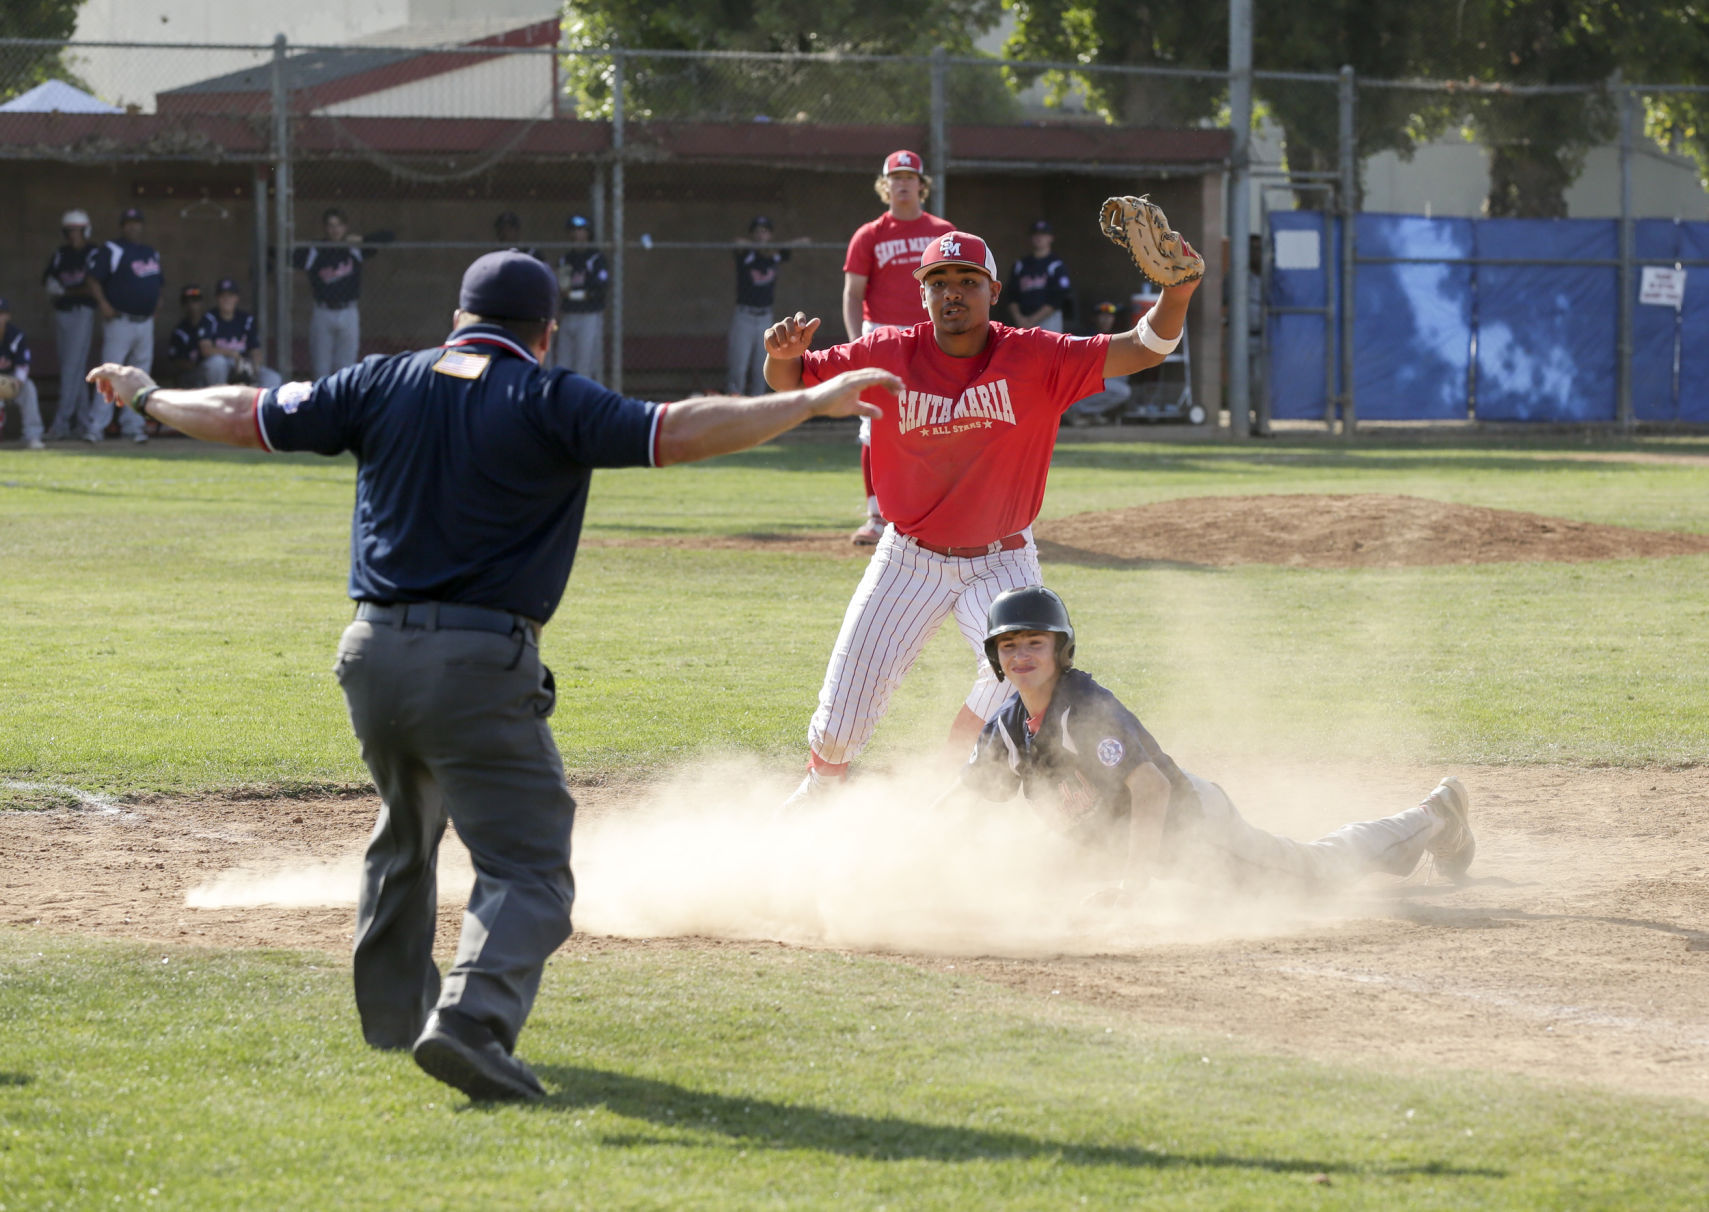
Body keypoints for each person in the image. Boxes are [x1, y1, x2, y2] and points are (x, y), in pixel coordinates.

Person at [85, 250, 897, 1103]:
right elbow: (680, 427)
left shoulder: (380, 380)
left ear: (457, 321)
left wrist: (146, 394)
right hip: (476, 660)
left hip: (370, 654)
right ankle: (471, 1023)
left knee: (406, 833)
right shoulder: (548, 395)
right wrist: (805, 401)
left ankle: (395, 1021)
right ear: (546, 333)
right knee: (532, 867)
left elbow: (241, 411)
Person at [765, 221, 1202, 801]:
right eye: (938, 281)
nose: (952, 292)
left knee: (1028, 673)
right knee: (844, 709)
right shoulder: (886, 353)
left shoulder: (1035, 355)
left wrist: (1178, 293)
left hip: (1003, 561)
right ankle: (819, 792)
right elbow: (790, 380)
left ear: (994, 291)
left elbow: (1145, 348)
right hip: (908, 558)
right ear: (923, 293)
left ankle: (959, 784)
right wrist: (782, 356)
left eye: (967, 281)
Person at [952, 586, 1476, 900]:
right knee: (1032, 878)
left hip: (1193, 827)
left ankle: (1435, 815)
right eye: (1009, 645)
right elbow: (963, 799)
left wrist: (1134, 886)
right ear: (996, 657)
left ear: (1060, 650)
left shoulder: (1083, 707)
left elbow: (1152, 789)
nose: (1021, 655)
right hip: (1129, 842)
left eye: (1035, 643)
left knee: (1312, 876)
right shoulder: (1009, 727)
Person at [841, 150, 956, 545]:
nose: (903, 183)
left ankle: (936, 515)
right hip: (882, 335)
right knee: (874, 423)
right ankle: (876, 517)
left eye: (910, 177)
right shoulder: (870, 234)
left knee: (942, 422)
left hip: (932, 335)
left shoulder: (942, 231)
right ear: (885, 185)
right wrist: (857, 344)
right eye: (896, 177)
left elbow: (955, 285)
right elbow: (853, 293)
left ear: (921, 185)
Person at [84, 206, 162, 444]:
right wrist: (103, 304)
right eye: (129, 223)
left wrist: (154, 307)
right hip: (120, 321)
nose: (133, 226)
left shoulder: (151, 252)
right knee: (109, 374)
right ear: (122, 226)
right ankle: (96, 426)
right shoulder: (113, 249)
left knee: (140, 377)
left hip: (144, 323)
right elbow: (93, 279)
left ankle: (134, 426)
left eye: (137, 222)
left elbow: (158, 284)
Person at [293, 208, 384, 381]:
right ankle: (321, 398)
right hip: (323, 311)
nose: (335, 230)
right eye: (331, 225)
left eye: (339, 225)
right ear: (325, 228)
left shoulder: (353, 248)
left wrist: (361, 239)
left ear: (345, 227)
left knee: (347, 366)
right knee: (321, 367)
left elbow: (387, 237)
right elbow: (284, 255)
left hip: (348, 310)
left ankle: (343, 398)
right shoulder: (317, 249)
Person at [727, 216, 805, 397]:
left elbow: (801, 243)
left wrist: (773, 248)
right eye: (757, 231)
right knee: (738, 366)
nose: (761, 235)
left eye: (765, 232)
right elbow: (736, 242)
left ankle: (758, 406)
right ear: (752, 234)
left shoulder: (774, 256)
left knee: (761, 366)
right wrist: (758, 247)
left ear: (770, 235)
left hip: (765, 317)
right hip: (744, 316)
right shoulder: (746, 254)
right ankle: (733, 406)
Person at [41, 209, 98, 441]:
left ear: (86, 231)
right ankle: (83, 422)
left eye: (78, 231)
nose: (73, 235)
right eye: (69, 231)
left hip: (81, 313)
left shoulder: (93, 252)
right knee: (74, 369)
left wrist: (66, 291)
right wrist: (55, 288)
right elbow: (48, 278)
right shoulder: (61, 253)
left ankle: (61, 423)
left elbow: (92, 286)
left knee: (70, 369)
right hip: (62, 313)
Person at [197, 278, 281, 389]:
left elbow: (255, 349)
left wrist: (255, 365)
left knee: (273, 377)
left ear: (236, 298)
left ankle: (257, 400)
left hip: (242, 365)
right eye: (223, 296)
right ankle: (219, 396)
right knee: (217, 363)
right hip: (221, 365)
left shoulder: (246, 319)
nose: (227, 299)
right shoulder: (209, 318)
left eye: (230, 296)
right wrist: (231, 353)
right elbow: (205, 350)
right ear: (217, 298)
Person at [554, 214, 608, 383]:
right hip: (568, 315)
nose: (576, 234)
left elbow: (599, 290)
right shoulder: (566, 259)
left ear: (588, 233)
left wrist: (574, 294)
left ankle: (585, 398)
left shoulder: (596, 258)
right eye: (573, 230)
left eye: (581, 230)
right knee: (563, 364)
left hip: (589, 316)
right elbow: (560, 287)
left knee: (584, 365)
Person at [1063, 302, 1132, 426]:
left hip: (1099, 378)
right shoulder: (1084, 336)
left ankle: (1089, 414)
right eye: (1103, 316)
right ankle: (1073, 410)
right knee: (1123, 391)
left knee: (1123, 380)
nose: (1106, 320)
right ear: (1094, 318)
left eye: (1110, 316)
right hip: (1081, 381)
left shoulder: (1116, 336)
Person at [1006, 219, 1072, 333]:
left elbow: (1058, 297)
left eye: (1043, 234)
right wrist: (1020, 319)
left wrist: (1032, 320)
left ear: (1051, 238)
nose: (1039, 237)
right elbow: (1011, 295)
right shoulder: (1020, 265)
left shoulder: (1056, 265)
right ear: (1030, 238)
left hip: (1049, 320)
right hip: (1022, 320)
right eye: (1036, 234)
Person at [0, 299, 45, 450]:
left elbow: (22, 365)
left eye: (1, 314)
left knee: (29, 388)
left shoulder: (16, 335)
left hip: (11, 380)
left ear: (8, 316)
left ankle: (32, 436)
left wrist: (17, 381)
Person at [163, 285, 208, 388]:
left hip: (210, 370)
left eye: (195, 301)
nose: (192, 305)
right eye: (188, 302)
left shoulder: (210, 324)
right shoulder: (180, 331)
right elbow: (176, 361)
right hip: (189, 375)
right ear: (183, 305)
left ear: (202, 303)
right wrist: (196, 367)